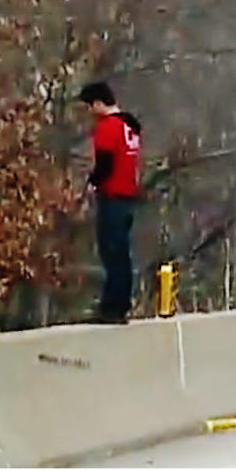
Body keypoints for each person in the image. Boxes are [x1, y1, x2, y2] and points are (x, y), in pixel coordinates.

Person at [79, 81, 143, 325]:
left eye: (89, 106)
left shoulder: (108, 128)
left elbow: (105, 164)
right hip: (128, 195)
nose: (89, 113)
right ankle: (121, 302)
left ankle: (112, 307)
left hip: (112, 196)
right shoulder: (130, 126)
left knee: (111, 252)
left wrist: (93, 181)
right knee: (122, 254)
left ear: (98, 103)